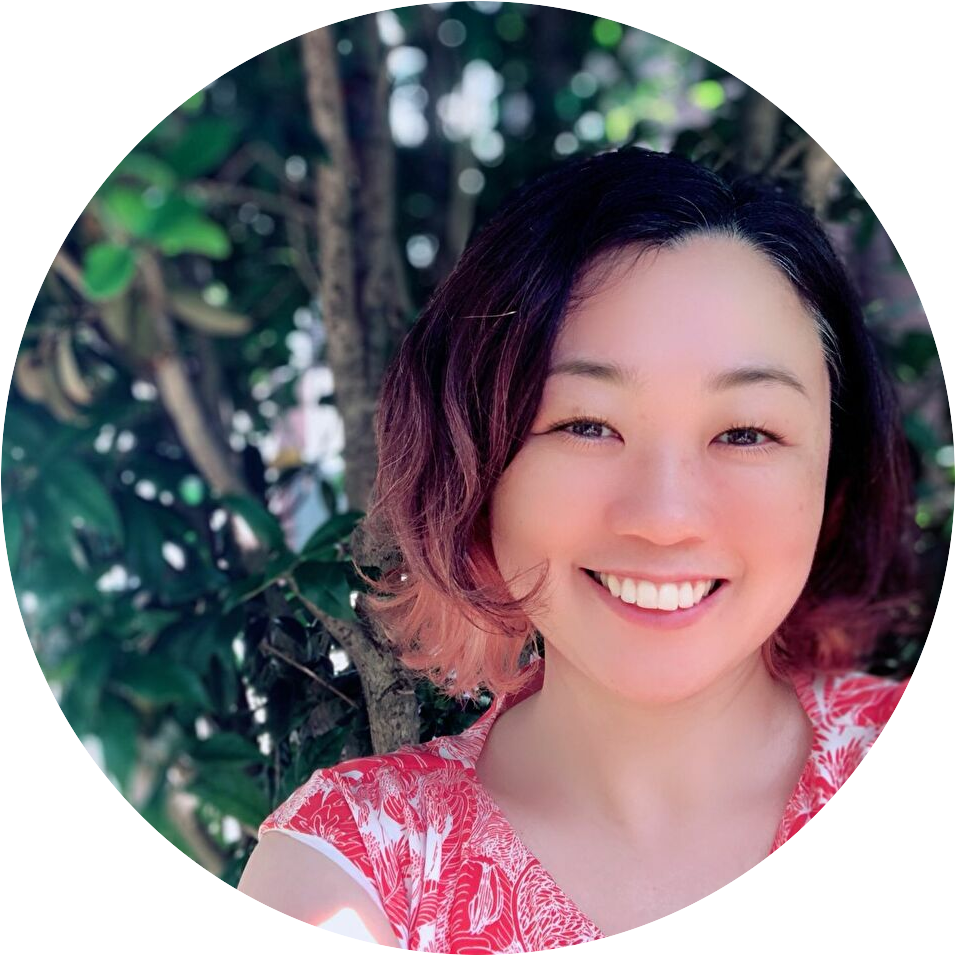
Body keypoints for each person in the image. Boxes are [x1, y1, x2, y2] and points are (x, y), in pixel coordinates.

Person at [238, 146, 922, 950]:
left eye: (745, 432)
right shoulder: (356, 868)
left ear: (833, 474)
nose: (664, 518)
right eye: (585, 424)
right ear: (475, 468)